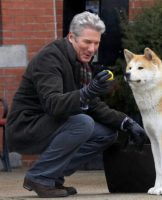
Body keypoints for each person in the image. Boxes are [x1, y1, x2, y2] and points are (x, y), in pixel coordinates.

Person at [6, 11, 146, 198]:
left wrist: (126, 122)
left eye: (96, 43)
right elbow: (54, 104)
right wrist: (89, 91)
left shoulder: (79, 63)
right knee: (82, 123)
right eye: (87, 42)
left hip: (50, 124)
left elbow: (93, 104)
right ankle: (40, 176)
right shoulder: (51, 58)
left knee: (107, 133)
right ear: (71, 37)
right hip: (26, 127)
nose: (92, 48)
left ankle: (52, 176)